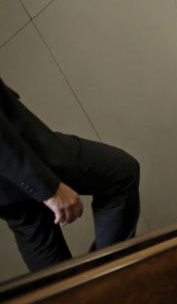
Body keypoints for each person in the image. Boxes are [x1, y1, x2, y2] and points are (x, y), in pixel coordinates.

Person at [0, 77, 140, 272]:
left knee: (32, 225)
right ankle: (105, 277)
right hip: (17, 151)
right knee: (121, 172)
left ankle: (78, 298)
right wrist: (47, 188)